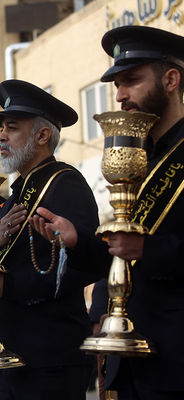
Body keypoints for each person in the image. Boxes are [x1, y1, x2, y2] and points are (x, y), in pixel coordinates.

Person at [37, 26, 184, 399]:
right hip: (129, 360)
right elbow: (119, 258)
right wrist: (79, 244)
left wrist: (147, 250)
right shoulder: (139, 160)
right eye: (116, 84)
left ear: (171, 79)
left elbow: (145, 250)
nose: (120, 95)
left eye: (131, 80)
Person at [0, 79, 99, 400]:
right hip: (15, 350)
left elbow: (84, 266)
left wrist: (10, 286)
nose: (1, 136)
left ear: (42, 136)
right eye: (2, 128)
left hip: (51, 354)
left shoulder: (65, 183)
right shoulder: (15, 195)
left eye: (12, 128)